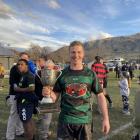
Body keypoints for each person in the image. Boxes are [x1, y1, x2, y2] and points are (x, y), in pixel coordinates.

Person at [42, 41, 110, 140]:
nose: (76, 55)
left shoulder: (90, 74)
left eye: (79, 52)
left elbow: (100, 96)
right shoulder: (61, 74)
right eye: (73, 52)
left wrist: (106, 119)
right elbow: (55, 97)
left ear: (83, 54)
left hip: (84, 121)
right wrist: (48, 94)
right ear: (69, 54)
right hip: (65, 120)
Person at [6, 52, 37, 140]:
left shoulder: (27, 70)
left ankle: (19, 131)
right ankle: (10, 136)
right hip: (14, 94)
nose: (23, 61)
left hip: (24, 97)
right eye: (22, 58)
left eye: (26, 59)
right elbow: (13, 83)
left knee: (22, 115)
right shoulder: (14, 68)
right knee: (14, 115)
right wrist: (17, 88)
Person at [15, 59, 38, 140]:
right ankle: (32, 137)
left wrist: (18, 89)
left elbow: (32, 88)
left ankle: (30, 137)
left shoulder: (29, 75)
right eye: (18, 64)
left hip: (27, 102)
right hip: (22, 102)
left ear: (27, 66)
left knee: (26, 123)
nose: (19, 66)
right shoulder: (23, 75)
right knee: (28, 121)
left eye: (22, 64)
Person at [35, 56, 54, 140]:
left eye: (50, 68)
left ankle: (43, 132)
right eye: (46, 68)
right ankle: (43, 136)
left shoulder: (54, 75)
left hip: (50, 99)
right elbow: (36, 88)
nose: (48, 70)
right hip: (42, 99)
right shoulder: (39, 74)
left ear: (53, 68)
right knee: (46, 119)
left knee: (45, 118)